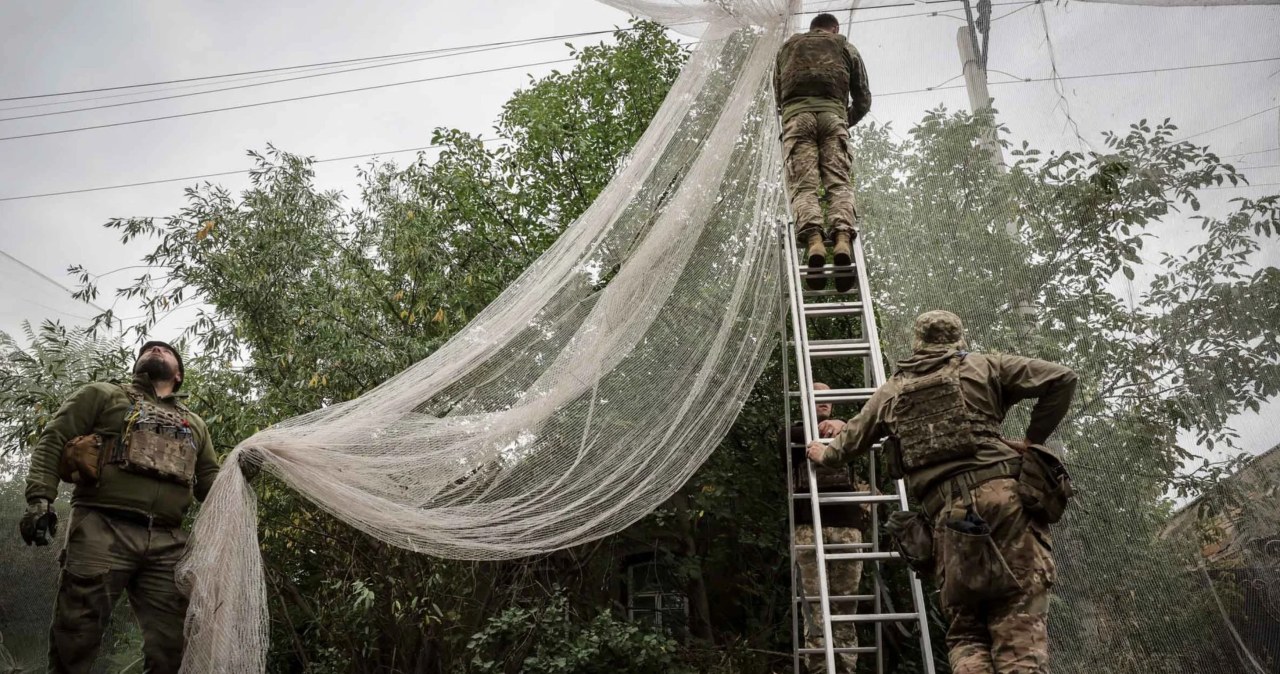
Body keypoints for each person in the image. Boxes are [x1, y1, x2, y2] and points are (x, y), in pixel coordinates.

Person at [806, 311, 1078, 674]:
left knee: (966, 631)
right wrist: (1031, 441)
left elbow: (846, 445)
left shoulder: (892, 391)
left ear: (917, 342)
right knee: (1017, 617)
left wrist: (823, 453)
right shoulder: (986, 367)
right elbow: (1062, 378)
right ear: (957, 339)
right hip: (1006, 505)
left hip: (947, 519)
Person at [19, 341, 220, 674]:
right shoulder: (103, 395)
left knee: (174, 646)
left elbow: (209, 480)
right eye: (149, 348)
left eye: (166, 350)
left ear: (179, 374)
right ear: (136, 365)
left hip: (169, 542)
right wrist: (40, 499)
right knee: (76, 636)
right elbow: (54, 438)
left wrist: (241, 474)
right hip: (102, 527)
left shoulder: (195, 423)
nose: (156, 349)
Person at [774, 12, 872, 292]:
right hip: (833, 118)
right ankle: (841, 238)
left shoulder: (787, 48)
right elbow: (863, 97)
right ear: (834, 28)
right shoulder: (845, 46)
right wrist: (843, 119)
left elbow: (778, 95)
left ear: (812, 28)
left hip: (797, 119)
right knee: (839, 184)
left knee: (804, 188)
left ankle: (815, 242)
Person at [781, 382, 869, 673]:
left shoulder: (848, 432)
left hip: (847, 527)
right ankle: (819, 667)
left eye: (829, 397)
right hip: (809, 527)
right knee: (815, 606)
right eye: (817, 396)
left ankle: (846, 667)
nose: (824, 401)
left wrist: (844, 426)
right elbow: (790, 438)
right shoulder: (795, 433)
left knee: (846, 603)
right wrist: (826, 428)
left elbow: (869, 431)